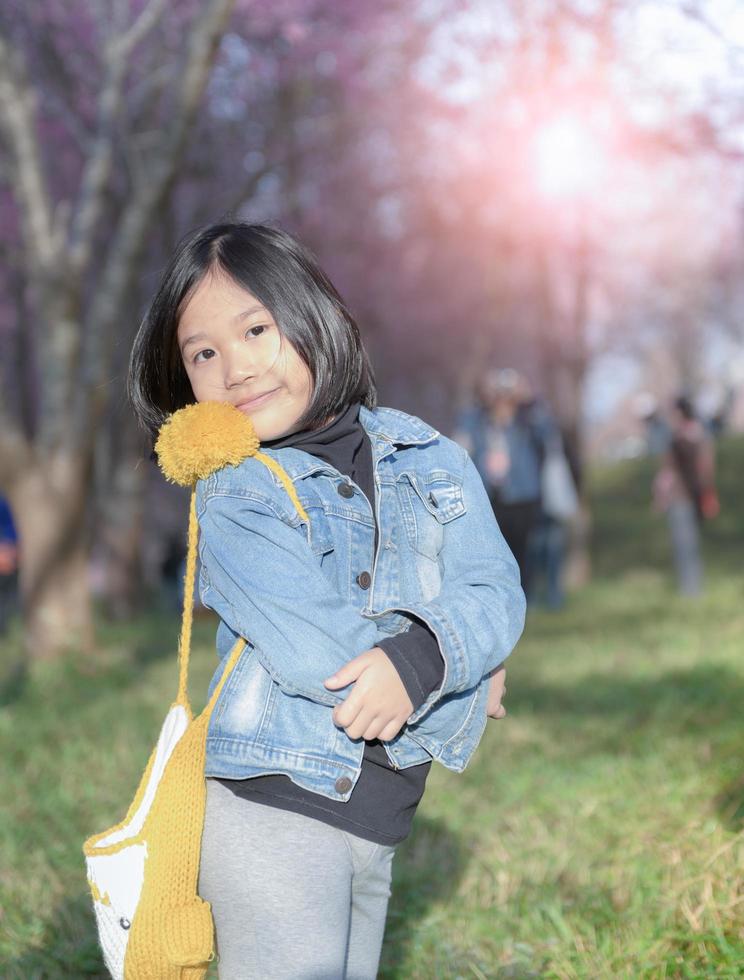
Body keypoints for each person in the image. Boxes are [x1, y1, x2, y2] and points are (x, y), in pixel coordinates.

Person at [127, 222, 525, 979]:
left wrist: (434, 654)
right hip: (274, 810)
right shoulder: (236, 491)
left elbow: (495, 589)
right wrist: (463, 670)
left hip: (380, 814)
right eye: (203, 352)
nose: (235, 367)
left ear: (318, 320)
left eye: (256, 330)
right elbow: (326, 654)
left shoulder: (430, 456)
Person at [454, 368, 551, 594]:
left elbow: (546, 432)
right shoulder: (478, 420)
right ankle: (500, 596)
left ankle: (526, 597)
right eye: (498, 393)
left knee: (524, 552)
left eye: (507, 394)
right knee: (493, 552)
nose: (502, 399)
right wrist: (481, 395)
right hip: (489, 497)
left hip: (522, 496)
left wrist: (529, 399)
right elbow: (460, 438)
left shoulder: (526, 421)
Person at [653, 395, 718, 596]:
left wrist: (661, 496)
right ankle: (691, 589)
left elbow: (673, 470)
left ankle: (692, 589)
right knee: (686, 545)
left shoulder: (686, 436)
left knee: (687, 545)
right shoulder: (693, 435)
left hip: (686, 496)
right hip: (683, 497)